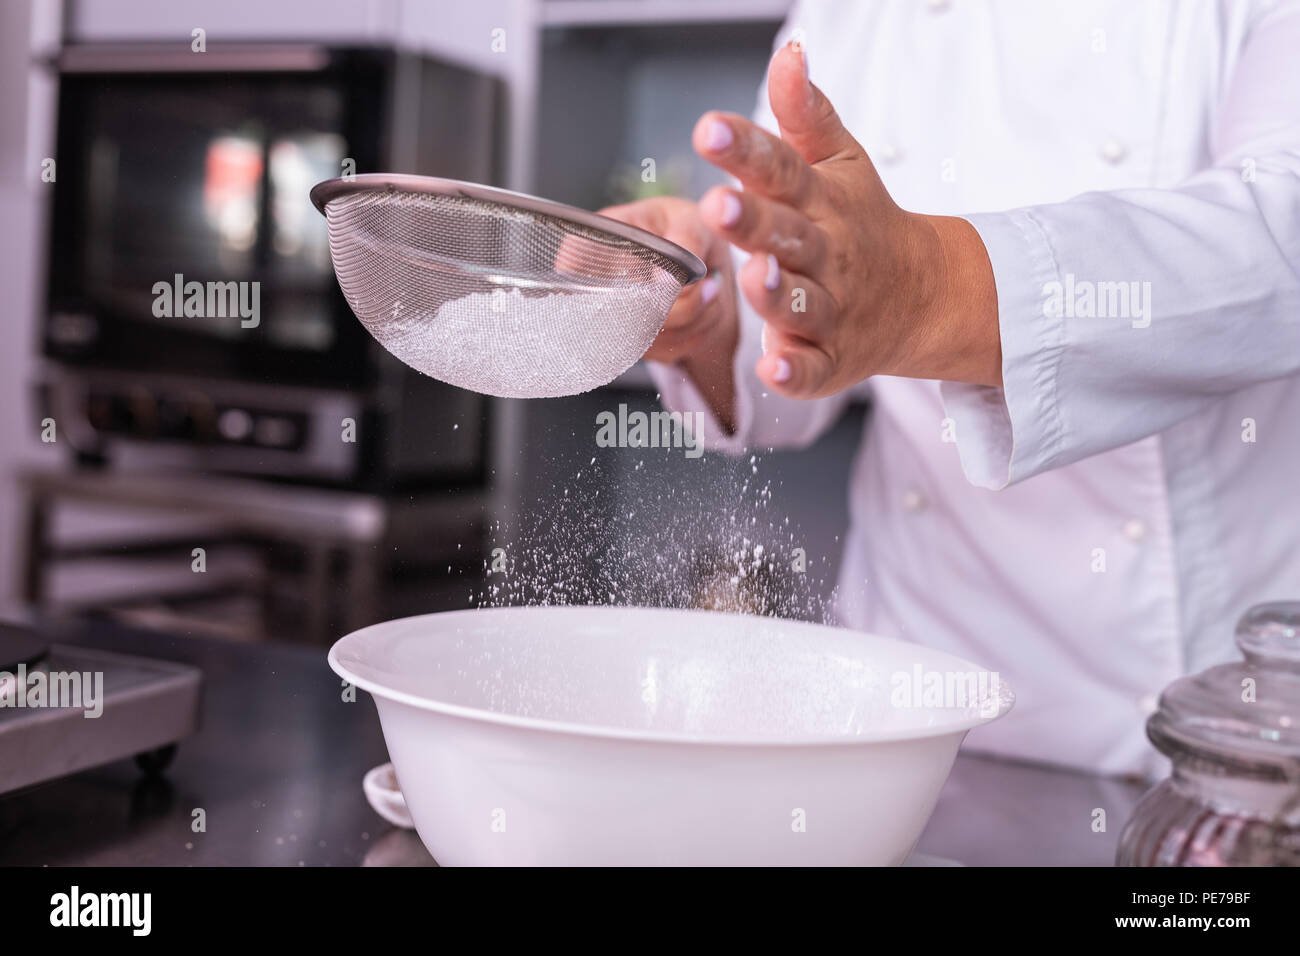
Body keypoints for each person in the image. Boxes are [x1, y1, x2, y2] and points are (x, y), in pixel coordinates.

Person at [599, 0, 1300, 776]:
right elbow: (790, 363)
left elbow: (1280, 230)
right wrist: (713, 313)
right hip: (908, 717)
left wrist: (925, 291)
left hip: (1213, 743)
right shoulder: (848, 18)